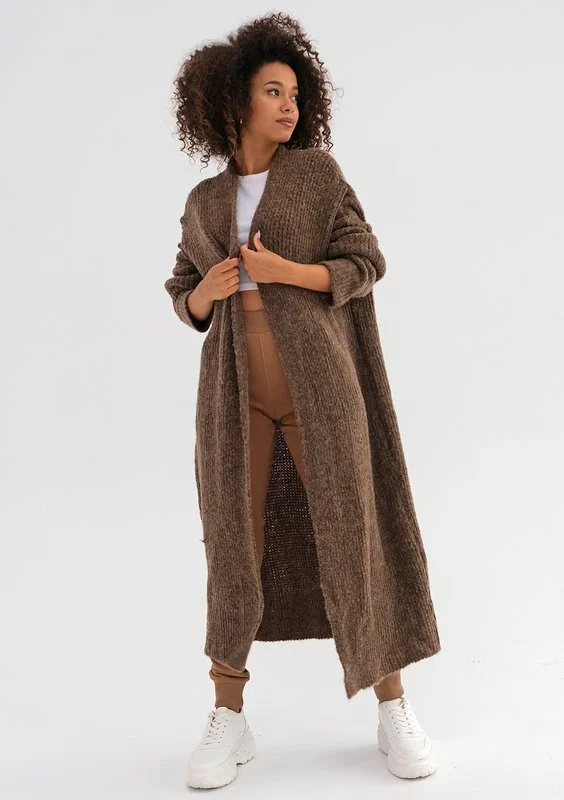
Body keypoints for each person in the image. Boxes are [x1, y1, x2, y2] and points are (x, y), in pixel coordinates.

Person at [165, 12, 439, 790]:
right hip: (235, 405)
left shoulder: (317, 177)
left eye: (294, 93)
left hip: (323, 394)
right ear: (234, 103)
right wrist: (206, 294)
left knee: (355, 539)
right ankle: (229, 714)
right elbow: (183, 290)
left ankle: (393, 706)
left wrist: (286, 272)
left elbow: (364, 260)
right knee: (233, 549)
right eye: (272, 92)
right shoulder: (204, 201)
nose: (289, 105)